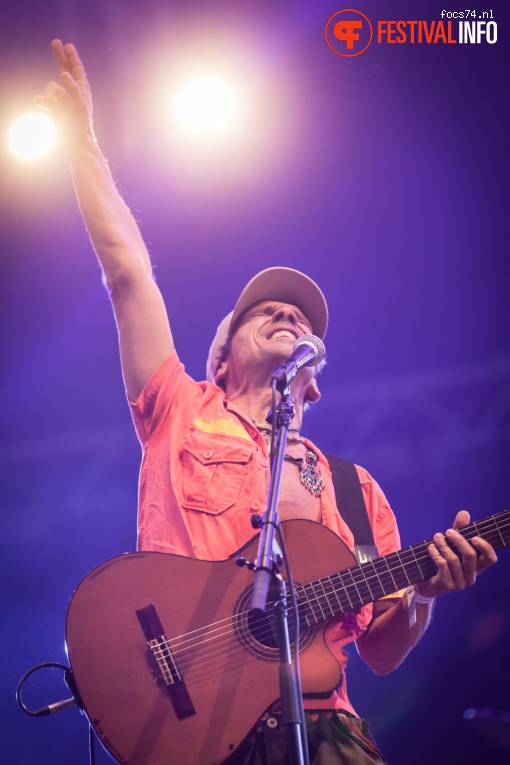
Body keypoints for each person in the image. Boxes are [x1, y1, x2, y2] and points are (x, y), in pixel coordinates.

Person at [37, 40, 497, 765]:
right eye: (265, 312)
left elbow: (381, 650)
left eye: (301, 318)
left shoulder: (355, 489)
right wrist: (84, 142)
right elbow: (127, 271)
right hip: (192, 723)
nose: (287, 315)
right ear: (220, 355)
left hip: (327, 731)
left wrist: (427, 596)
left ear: (313, 376)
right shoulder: (178, 407)